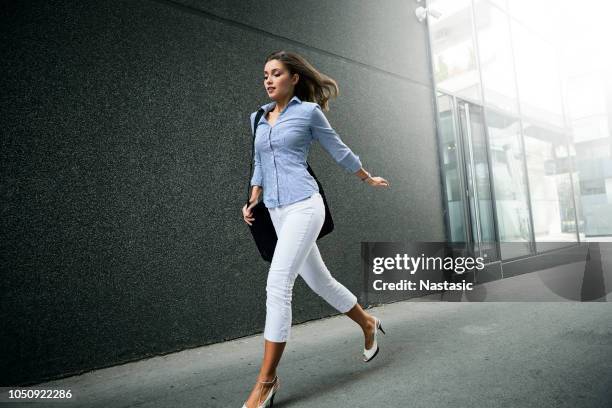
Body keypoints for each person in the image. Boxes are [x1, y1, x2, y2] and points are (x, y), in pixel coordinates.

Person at [240, 50, 391, 408]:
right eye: (265, 74)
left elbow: (338, 149)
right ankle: (368, 322)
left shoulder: (308, 113)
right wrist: (253, 198)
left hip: (306, 206)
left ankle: (266, 382)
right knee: (318, 280)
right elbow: (259, 162)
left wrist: (366, 177)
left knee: (278, 284)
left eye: (276, 73)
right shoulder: (258, 118)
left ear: (294, 78)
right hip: (276, 211)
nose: (269, 79)